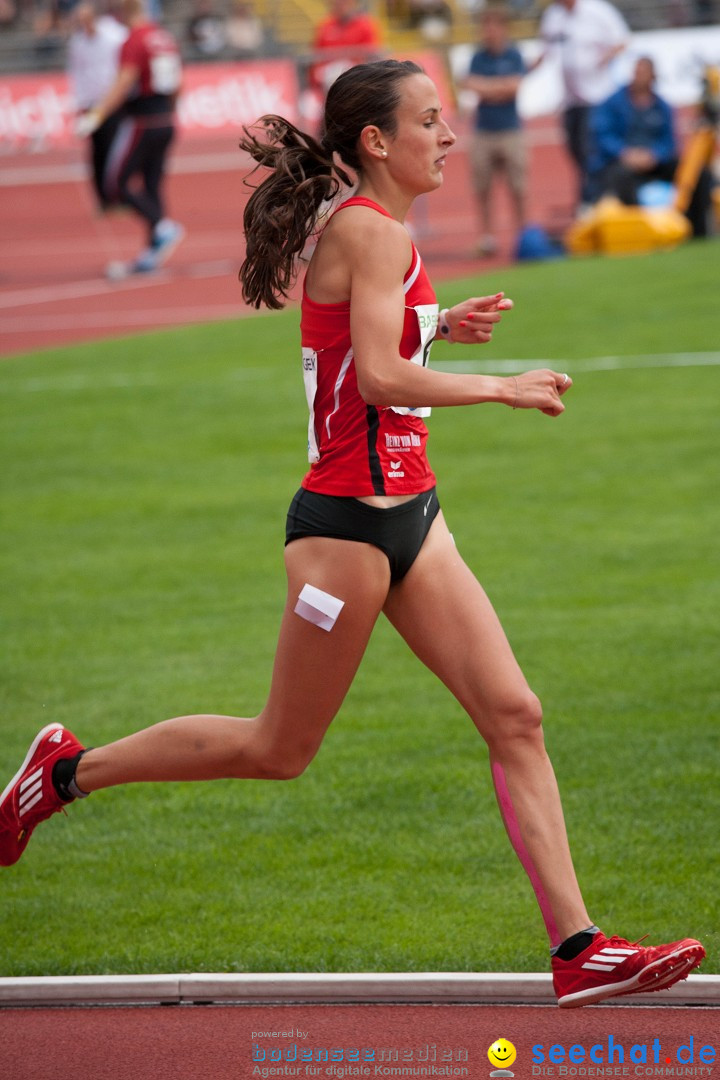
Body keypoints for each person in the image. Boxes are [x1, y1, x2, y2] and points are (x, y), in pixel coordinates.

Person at [0, 59, 705, 1009]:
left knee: (516, 715)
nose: (447, 137)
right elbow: (374, 376)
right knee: (278, 748)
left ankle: (578, 948)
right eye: (429, 122)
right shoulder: (370, 232)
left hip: (414, 514)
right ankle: (64, 772)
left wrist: (437, 322)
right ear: (377, 142)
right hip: (345, 532)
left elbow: (363, 340)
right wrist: (500, 385)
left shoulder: (379, 233)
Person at [76, 0, 184, 275]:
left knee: (114, 182)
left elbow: (124, 81)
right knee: (152, 184)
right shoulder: (163, 37)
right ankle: (152, 250)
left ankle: (161, 226)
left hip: (142, 120)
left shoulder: (134, 40)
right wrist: (171, 111)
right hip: (165, 119)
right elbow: (176, 82)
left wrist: (97, 115)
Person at [589, 55, 714, 234]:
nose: (639, 76)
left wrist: (654, 155)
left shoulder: (662, 106)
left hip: (654, 162)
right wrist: (625, 153)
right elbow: (602, 135)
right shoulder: (612, 103)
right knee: (621, 177)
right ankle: (636, 231)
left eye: (644, 72)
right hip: (622, 162)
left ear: (653, 76)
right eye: (636, 72)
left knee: (698, 173)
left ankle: (695, 230)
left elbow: (669, 142)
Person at [534, 0, 630, 207]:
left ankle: (592, 198)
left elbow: (622, 40)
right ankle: (596, 196)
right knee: (575, 150)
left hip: (597, 97)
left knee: (592, 151)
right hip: (571, 100)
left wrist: (603, 59)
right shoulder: (553, 16)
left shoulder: (598, 11)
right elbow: (545, 50)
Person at [459, 5, 528, 257]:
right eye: (484, 25)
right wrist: (497, 88)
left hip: (511, 130)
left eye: (492, 25)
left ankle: (523, 236)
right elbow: (468, 84)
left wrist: (485, 88)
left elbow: (513, 88)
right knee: (482, 187)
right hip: (483, 130)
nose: (488, 31)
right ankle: (487, 238)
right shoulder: (478, 57)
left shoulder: (514, 55)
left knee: (518, 186)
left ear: (503, 28)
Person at [67, 1, 128, 211]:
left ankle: (118, 195)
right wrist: (80, 104)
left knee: (117, 150)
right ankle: (104, 200)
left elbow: (125, 67)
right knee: (98, 151)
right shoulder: (77, 42)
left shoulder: (115, 36)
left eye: (84, 18)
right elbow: (76, 74)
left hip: (113, 102)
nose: (81, 23)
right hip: (92, 104)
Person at [309, 0, 382, 99]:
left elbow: (371, 53)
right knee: (309, 102)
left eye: (343, 3)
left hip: (357, 71)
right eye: (336, 3)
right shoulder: (325, 26)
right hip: (329, 71)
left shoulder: (365, 25)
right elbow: (317, 56)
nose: (339, 6)